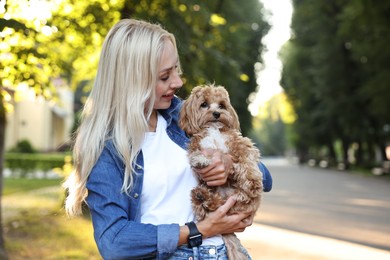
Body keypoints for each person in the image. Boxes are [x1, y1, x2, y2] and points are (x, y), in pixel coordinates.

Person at [64, 18, 272, 260]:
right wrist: (199, 230)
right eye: (164, 76)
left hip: (224, 252)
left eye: (176, 70)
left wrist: (229, 165)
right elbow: (114, 242)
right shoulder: (106, 147)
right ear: (133, 80)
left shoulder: (183, 117)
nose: (178, 82)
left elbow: (264, 177)